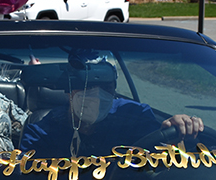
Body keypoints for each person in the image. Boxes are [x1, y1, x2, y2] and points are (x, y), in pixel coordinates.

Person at [20, 59, 203, 159]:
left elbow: (159, 154)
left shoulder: (135, 115)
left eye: (106, 87)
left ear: (115, 88)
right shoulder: (40, 132)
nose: (97, 96)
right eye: (88, 86)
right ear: (69, 91)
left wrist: (178, 131)